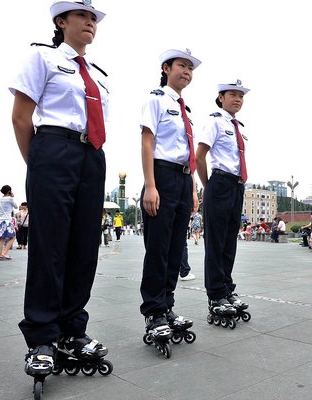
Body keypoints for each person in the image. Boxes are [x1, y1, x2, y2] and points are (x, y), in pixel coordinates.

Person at [10, 0, 109, 378]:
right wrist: (38, 164)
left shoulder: (98, 74)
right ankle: (41, 337)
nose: (90, 23)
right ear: (62, 21)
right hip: (53, 148)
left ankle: (72, 330)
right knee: (49, 247)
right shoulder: (43, 58)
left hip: (92, 154)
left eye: (93, 18)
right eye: (82, 16)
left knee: (85, 247)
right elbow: (21, 117)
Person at [139, 48, 201, 347]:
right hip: (161, 176)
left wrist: (191, 189)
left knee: (175, 250)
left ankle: (167, 305)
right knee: (158, 248)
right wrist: (151, 186)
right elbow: (147, 142)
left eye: (190, 68)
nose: (186, 72)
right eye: (181, 65)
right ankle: (153, 311)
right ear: (166, 68)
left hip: (182, 179)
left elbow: (188, 154)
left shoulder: (187, 109)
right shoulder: (156, 99)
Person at [196, 79, 251, 321]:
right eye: (232, 94)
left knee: (230, 242)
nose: (237, 99)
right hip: (219, 183)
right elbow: (199, 156)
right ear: (221, 97)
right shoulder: (214, 122)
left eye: (241, 95)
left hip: (237, 186)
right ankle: (216, 294)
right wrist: (208, 187)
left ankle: (227, 288)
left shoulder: (240, 126)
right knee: (216, 243)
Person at [0, 185, 18, 260]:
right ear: (9, 191)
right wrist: (12, 197)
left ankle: (0, 254)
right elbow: (16, 207)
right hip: (7, 221)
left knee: (1, 239)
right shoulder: (10, 199)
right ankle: (5, 253)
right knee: (13, 237)